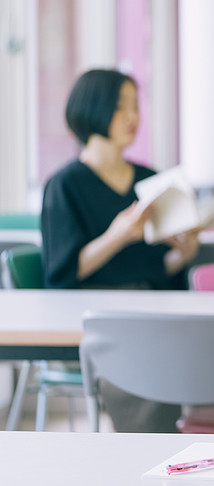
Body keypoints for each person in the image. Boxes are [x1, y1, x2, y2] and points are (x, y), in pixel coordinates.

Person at [41, 68, 200, 431]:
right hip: (100, 317)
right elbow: (62, 273)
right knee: (152, 367)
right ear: (92, 109)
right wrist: (119, 234)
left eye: (135, 106)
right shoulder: (65, 185)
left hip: (156, 308)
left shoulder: (150, 180)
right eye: (120, 107)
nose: (133, 117)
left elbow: (157, 267)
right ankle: (157, 468)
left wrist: (184, 253)